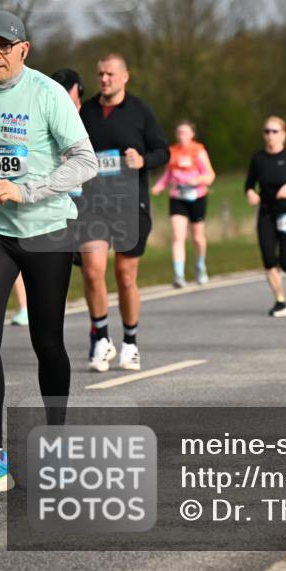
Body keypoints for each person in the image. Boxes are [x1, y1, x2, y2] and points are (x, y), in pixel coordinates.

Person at [0, 10, 98, 497]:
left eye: (3, 46)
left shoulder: (47, 94)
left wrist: (28, 191)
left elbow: (86, 161)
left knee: (46, 342)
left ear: (23, 50)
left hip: (49, 231)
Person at [77, 53, 169, 372]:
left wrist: (143, 160)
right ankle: (101, 338)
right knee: (92, 270)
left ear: (125, 77)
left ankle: (130, 343)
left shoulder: (140, 111)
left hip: (129, 204)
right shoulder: (86, 111)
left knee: (125, 276)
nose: (104, 79)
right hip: (93, 204)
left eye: (111, 74)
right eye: (100, 74)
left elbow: (163, 151)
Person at [245, 116, 286, 317]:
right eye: (266, 131)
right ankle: (280, 301)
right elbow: (249, 183)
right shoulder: (258, 159)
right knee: (268, 258)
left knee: (285, 260)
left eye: (274, 131)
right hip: (267, 212)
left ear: (283, 134)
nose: (270, 135)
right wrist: (250, 192)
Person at [152, 120, 216, 287]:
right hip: (177, 196)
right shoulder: (172, 152)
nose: (182, 136)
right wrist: (159, 186)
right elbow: (168, 175)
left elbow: (210, 175)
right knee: (177, 236)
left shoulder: (198, 151)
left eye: (185, 133)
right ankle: (178, 275)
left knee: (197, 237)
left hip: (197, 196)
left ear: (192, 135)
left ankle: (200, 265)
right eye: (179, 132)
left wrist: (198, 180)